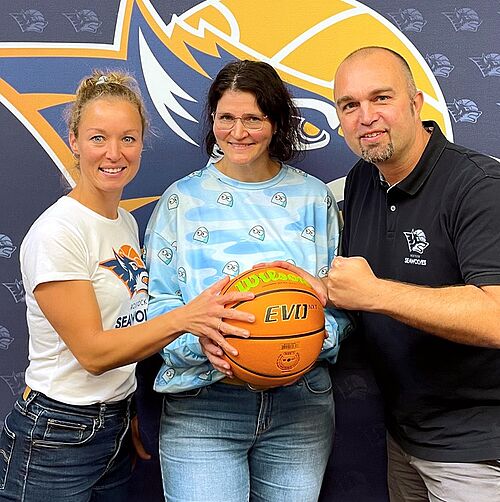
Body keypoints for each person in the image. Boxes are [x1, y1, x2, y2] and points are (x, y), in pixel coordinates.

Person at [0, 70, 255, 502]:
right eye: (98, 138)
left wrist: (129, 405)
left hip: (113, 427)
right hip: (57, 435)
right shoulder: (59, 232)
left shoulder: (123, 221)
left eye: (128, 139)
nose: (114, 153)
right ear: (74, 140)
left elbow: (125, 325)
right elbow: (95, 352)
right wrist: (186, 318)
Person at [144, 59, 351, 502]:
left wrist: (314, 337)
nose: (238, 132)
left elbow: (343, 302)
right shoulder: (181, 200)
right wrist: (198, 341)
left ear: (276, 123)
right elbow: (156, 302)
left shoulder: (315, 198)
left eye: (253, 119)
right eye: (226, 118)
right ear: (213, 120)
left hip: (301, 406)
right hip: (204, 405)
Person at [330, 47, 500, 501]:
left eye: (381, 98)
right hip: (403, 439)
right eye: (350, 105)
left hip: (476, 450)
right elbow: (353, 288)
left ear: (415, 103)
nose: (366, 116)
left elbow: (496, 317)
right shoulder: (363, 180)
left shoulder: (478, 185)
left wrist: (375, 294)